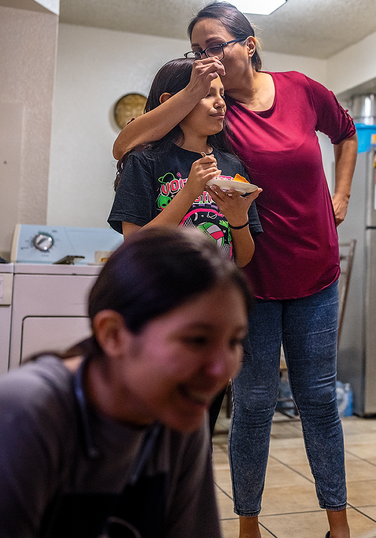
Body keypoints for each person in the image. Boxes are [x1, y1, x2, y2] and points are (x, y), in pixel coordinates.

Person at [113, 1, 358, 538]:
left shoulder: (301, 89)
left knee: (318, 398)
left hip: (316, 270)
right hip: (250, 279)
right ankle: (247, 523)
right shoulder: (211, 108)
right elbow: (129, 145)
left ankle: (338, 523)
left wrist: (341, 193)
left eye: (216, 43)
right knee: (253, 403)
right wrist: (192, 89)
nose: (208, 56)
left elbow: (345, 132)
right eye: (198, 49)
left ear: (249, 43)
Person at [0, 226, 251, 537]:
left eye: (235, 341)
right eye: (196, 340)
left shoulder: (176, 415)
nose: (221, 369)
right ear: (113, 334)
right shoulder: (22, 416)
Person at [108, 58, 262, 435]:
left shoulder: (231, 164)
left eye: (223, 95)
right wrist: (189, 193)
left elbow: (243, 255)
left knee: (199, 436)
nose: (220, 103)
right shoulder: (146, 160)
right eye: (208, 94)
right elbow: (136, 244)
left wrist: (238, 217)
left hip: (212, 316)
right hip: (161, 314)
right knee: (154, 432)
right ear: (171, 100)